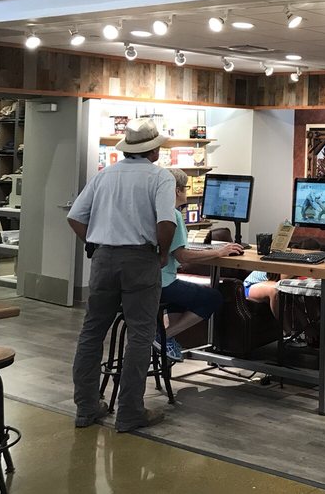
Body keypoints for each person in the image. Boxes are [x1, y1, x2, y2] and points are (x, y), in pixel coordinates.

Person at [68, 118, 177, 433]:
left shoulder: (105, 175)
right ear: (154, 150)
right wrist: (162, 253)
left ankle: (86, 407)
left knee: (92, 333)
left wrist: (94, 242)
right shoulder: (160, 177)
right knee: (140, 334)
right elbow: (166, 222)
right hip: (140, 259)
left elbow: (75, 217)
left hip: (103, 259)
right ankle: (130, 411)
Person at [157, 168, 242, 362]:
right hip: (163, 284)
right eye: (186, 188)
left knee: (182, 296)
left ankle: (168, 340)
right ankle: (164, 336)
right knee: (213, 297)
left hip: (148, 282)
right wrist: (218, 252)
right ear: (178, 190)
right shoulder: (174, 214)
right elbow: (182, 256)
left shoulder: (157, 210)